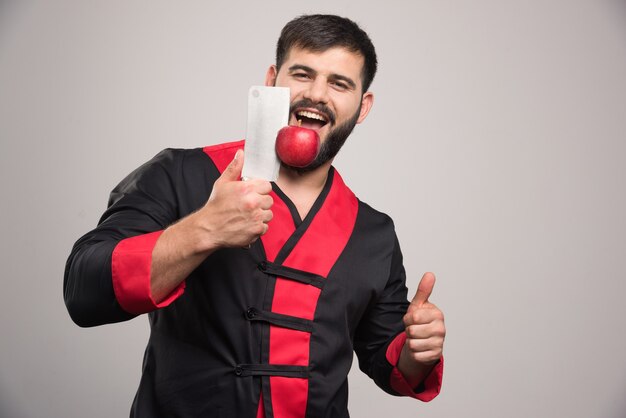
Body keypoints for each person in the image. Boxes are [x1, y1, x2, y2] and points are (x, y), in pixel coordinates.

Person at [64, 14, 446, 418]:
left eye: (339, 83)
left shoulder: (375, 233)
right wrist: (201, 230)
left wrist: (417, 351)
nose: (316, 95)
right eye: (302, 74)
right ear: (271, 80)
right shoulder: (181, 173)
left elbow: (388, 360)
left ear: (362, 106)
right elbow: (84, 289)